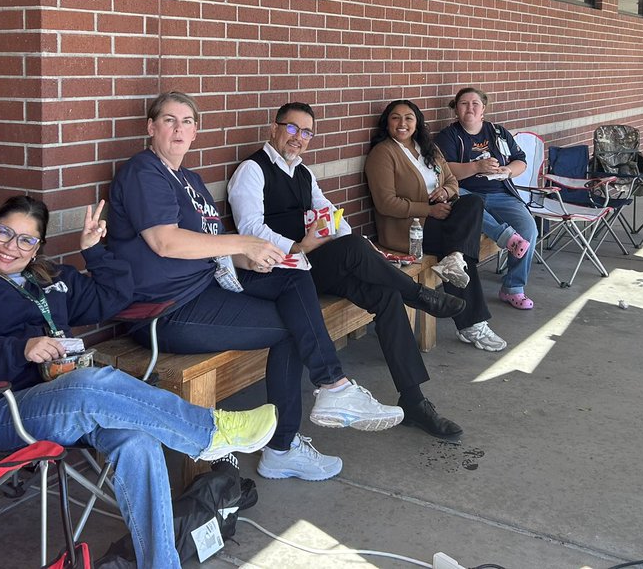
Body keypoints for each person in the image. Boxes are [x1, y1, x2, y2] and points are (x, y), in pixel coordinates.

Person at [0, 194, 279, 569]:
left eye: (26, 239)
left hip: (62, 399)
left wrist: (94, 251)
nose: (11, 246)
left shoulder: (47, 279)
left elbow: (116, 297)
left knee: (137, 440)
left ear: (38, 246)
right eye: (5, 232)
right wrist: (20, 348)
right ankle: (208, 432)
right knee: (93, 384)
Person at [108, 91, 403, 484]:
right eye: (169, 120)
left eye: (187, 122)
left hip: (206, 286)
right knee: (292, 328)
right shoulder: (145, 172)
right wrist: (240, 243)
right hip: (166, 310)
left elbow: (209, 249)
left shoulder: (190, 180)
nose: (179, 129)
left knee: (292, 272)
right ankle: (289, 439)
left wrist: (251, 258)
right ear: (151, 127)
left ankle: (330, 391)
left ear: (196, 132)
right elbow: (165, 242)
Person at [228, 101, 467, 441]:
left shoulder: (302, 172)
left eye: (307, 132)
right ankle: (420, 296)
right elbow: (250, 229)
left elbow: (330, 214)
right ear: (274, 129)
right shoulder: (252, 170)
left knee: (383, 293)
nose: (299, 138)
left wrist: (363, 247)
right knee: (355, 250)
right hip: (279, 273)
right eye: (293, 128)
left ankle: (414, 401)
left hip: (310, 266)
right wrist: (300, 246)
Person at [365, 99, 507, 351]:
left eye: (409, 117)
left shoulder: (429, 148)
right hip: (410, 230)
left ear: (417, 122)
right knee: (460, 251)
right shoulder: (383, 153)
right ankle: (472, 324)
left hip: (442, 216)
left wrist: (445, 191)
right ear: (387, 123)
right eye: (395, 118)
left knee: (472, 203)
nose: (402, 123)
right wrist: (428, 209)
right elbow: (386, 203)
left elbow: (452, 180)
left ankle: (454, 258)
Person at [435, 86, 539, 310]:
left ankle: (513, 289)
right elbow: (446, 171)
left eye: (475, 103)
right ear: (456, 110)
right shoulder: (449, 136)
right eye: (463, 103)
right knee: (469, 205)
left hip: (501, 193)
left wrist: (507, 171)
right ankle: (507, 238)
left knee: (529, 229)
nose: (469, 107)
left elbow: (520, 160)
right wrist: (477, 166)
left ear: (483, 109)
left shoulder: (498, 132)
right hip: (466, 193)